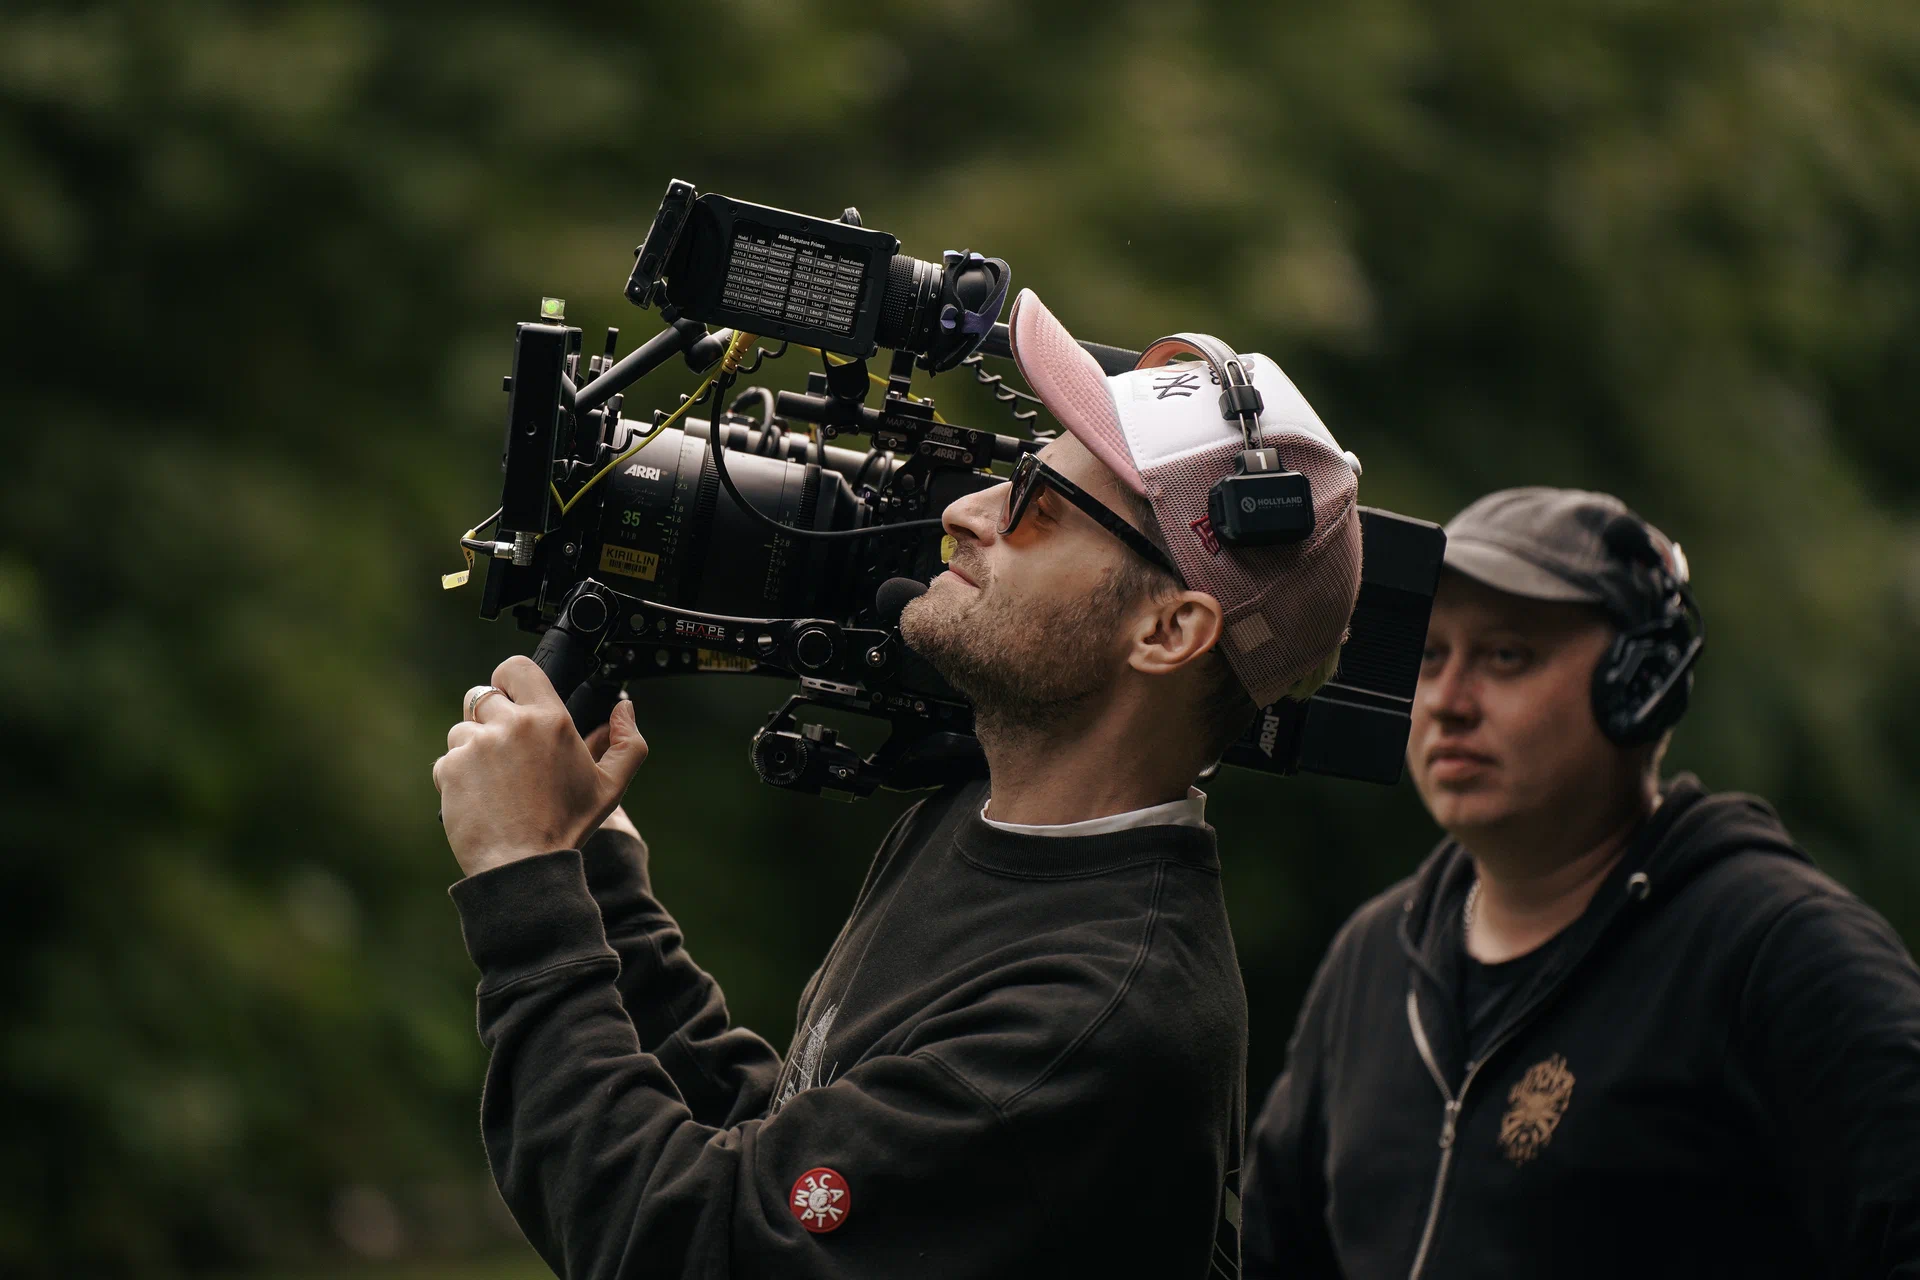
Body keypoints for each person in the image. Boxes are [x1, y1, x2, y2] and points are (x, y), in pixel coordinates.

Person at [431, 289, 1365, 1279]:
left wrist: (526, 882)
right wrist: (593, 868)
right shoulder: (982, 818)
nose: (967, 510)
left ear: (1169, 631)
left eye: (1037, 506)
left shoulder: (1099, 1018)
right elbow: (797, 1152)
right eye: (1011, 476)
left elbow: (690, 1246)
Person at [1241, 485, 1920, 1279]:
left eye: (1506, 656)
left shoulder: (1778, 952)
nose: (1449, 703)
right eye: (1431, 657)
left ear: (1642, 683)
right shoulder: (1374, 958)